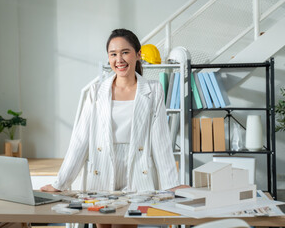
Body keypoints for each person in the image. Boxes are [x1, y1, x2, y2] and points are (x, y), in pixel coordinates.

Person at [41, 28, 181, 194]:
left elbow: (161, 141)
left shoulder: (154, 90)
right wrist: (60, 183)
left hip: (138, 171)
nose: (119, 59)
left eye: (125, 52)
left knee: (125, 219)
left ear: (138, 55)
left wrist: (172, 183)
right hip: (102, 168)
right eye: (113, 54)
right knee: (102, 218)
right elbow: (80, 140)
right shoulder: (96, 92)